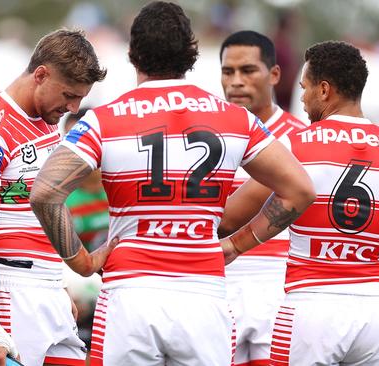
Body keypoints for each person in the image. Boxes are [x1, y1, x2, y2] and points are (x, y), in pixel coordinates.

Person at [29, 2, 315, 365]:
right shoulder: (235, 119)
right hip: (204, 292)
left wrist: (82, 263)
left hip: (130, 293)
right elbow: (300, 190)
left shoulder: (104, 119)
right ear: (192, 55)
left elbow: (45, 192)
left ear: (133, 56)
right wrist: (236, 246)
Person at [223, 41, 379, 365]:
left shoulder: (297, 145)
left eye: (305, 88)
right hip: (375, 309)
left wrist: (232, 244)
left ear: (324, 90)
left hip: (310, 307)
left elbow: (231, 215)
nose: (301, 99)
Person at [0, 29, 106, 366]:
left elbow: (41, 209)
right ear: (41, 75)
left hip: (47, 287)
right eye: (69, 95)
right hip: (10, 291)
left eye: (80, 98)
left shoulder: (45, 120)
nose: (73, 107)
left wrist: (58, 283)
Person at [218, 30, 307, 366]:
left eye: (248, 70)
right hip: (219, 282)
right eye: (228, 72)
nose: (236, 82)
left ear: (274, 75)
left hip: (278, 284)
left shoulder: (302, 137)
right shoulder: (208, 138)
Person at [63, 108, 109, 251]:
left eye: (83, 139)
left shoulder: (122, 186)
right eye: (69, 139)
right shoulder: (60, 198)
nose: (75, 147)